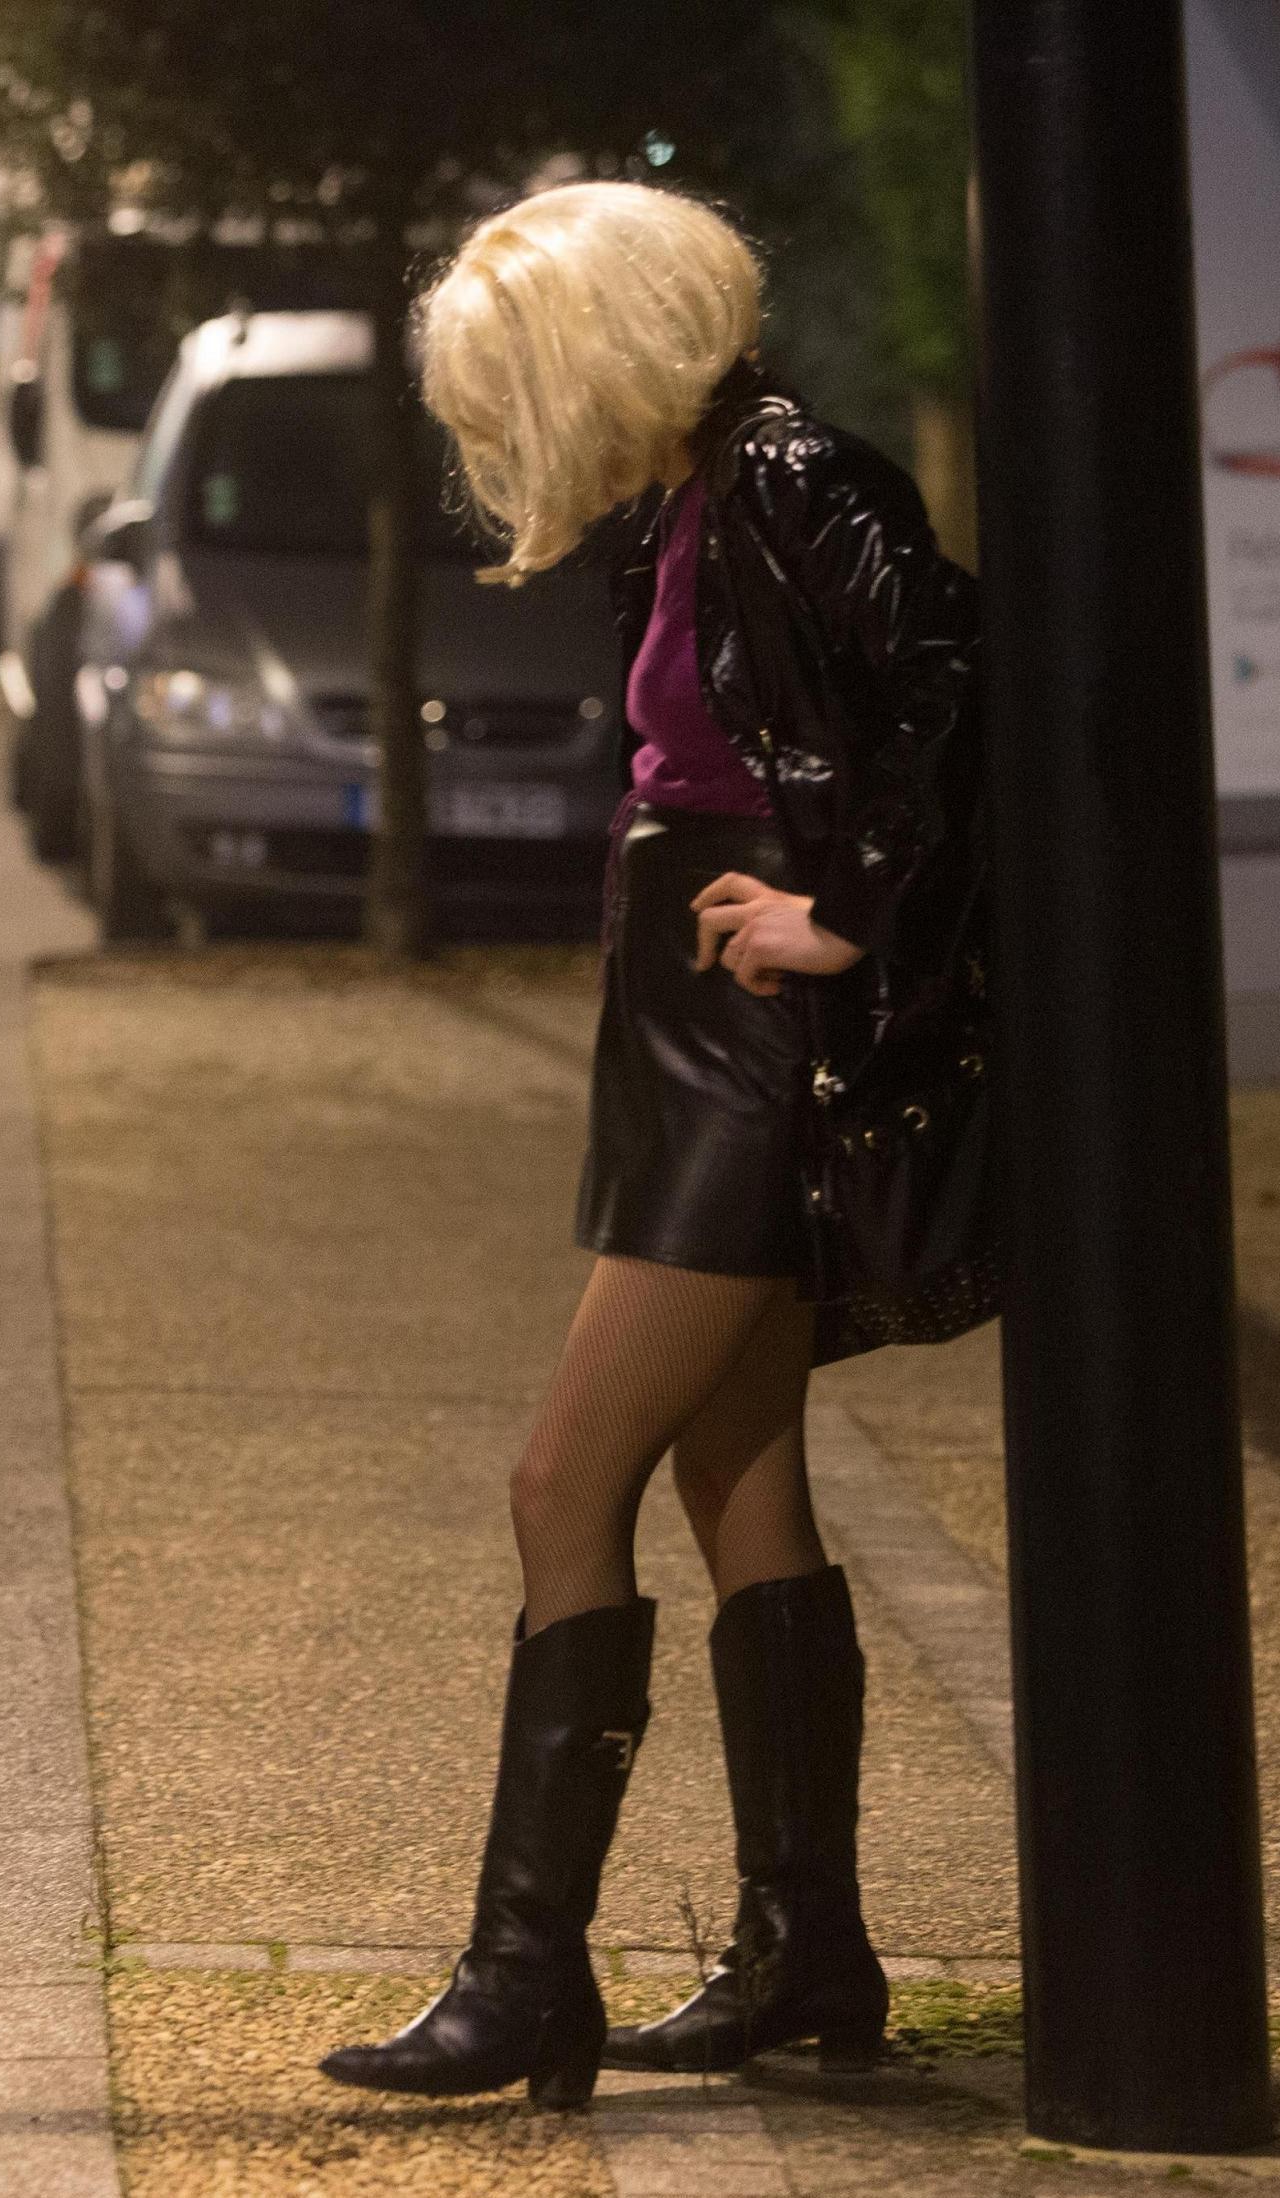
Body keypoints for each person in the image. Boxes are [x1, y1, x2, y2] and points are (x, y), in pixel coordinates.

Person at [318, 179, 983, 2108]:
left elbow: (949, 697)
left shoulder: (792, 475)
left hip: (752, 1051)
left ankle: (525, 1976)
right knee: (734, 1477)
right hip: (686, 1028)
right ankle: (809, 1954)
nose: (510, 436)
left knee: (559, 1483)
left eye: (514, 386)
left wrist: (840, 915)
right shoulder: (698, 496)